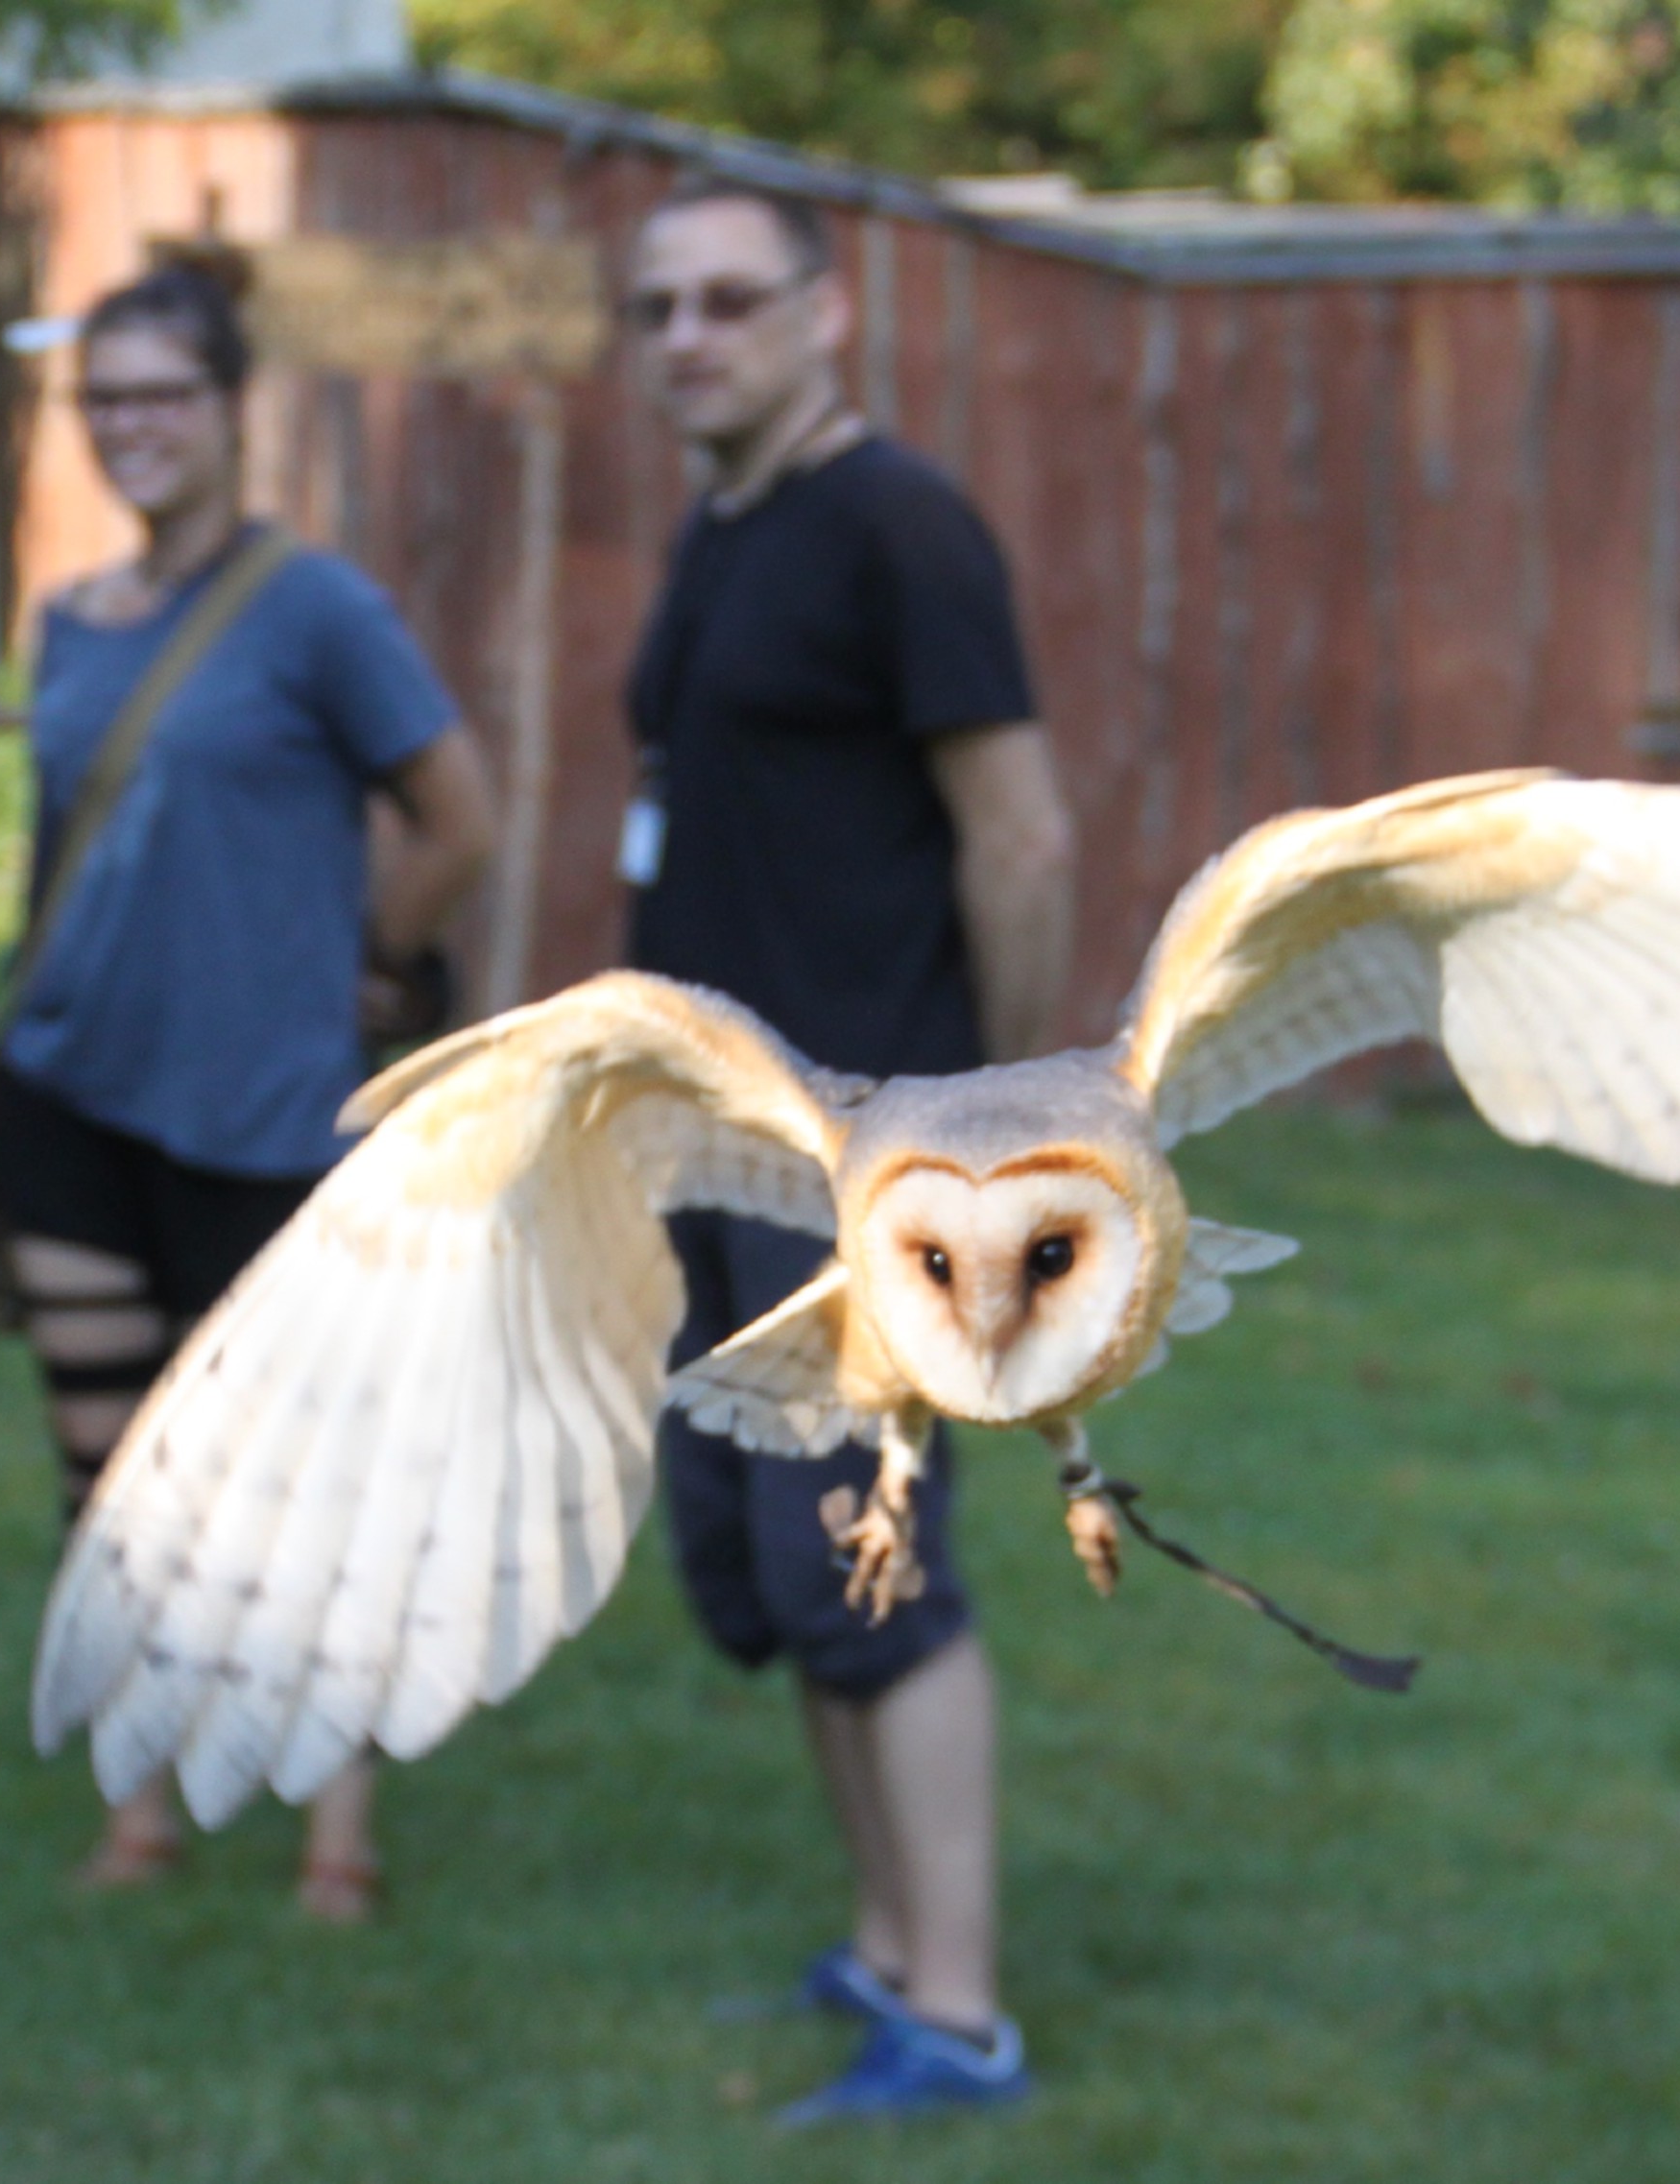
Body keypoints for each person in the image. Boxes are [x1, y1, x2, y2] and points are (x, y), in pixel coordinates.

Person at [620, 175, 1077, 2120]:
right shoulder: (729, 527)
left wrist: (1002, 1123)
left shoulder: (900, 526)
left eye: (728, 299)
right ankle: (890, 1947)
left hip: (869, 1155)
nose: (687, 336)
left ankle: (959, 2019)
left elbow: (1021, 836)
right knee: (769, 1567)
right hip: (719, 1150)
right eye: (654, 307)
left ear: (828, 311)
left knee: (871, 1563)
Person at [0, 263, 497, 1920]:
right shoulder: (69, 620)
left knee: (295, 1500)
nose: (132, 426)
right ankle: (139, 1819)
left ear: (229, 409)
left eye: (162, 396)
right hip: (65, 1102)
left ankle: (332, 1845)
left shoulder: (315, 612)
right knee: (108, 1482)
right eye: (106, 400)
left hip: (265, 1120)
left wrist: (370, 972)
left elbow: (458, 819)